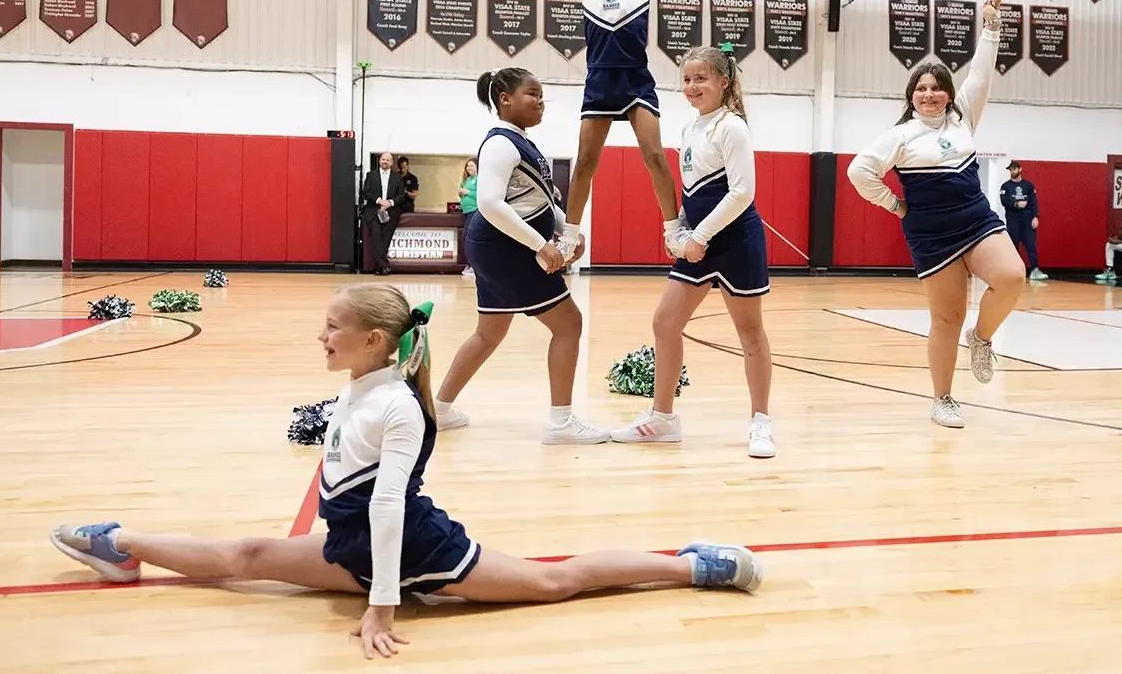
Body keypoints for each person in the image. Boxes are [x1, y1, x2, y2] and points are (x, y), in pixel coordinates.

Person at [48, 283, 762, 661]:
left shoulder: (398, 408)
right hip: (353, 548)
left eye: (333, 325)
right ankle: (122, 544)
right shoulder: (360, 388)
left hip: (418, 553)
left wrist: (383, 603)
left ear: (374, 340)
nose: (321, 334)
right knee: (250, 554)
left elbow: (388, 508)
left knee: (554, 580)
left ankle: (692, 565)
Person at [847, 0, 1025, 429]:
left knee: (1012, 276)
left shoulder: (963, 120)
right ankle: (943, 399)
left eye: (936, 86)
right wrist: (894, 204)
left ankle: (981, 339)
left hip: (977, 221)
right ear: (912, 96)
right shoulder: (901, 135)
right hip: (930, 235)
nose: (929, 94)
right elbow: (859, 171)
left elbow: (981, 76)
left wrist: (991, 27)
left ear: (947, 92)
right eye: (920, 88)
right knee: (946, 318)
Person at [610, 44, 774, 458]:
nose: (692, 86)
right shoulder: (690, 129)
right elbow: (693, 192)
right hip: (699, 239)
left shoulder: (732, 126)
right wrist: (678, 230)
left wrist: (698, 236)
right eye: (686, 79)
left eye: (701, 78)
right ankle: (663, 418)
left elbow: (741, 192)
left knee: (750, 333)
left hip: (736, 242)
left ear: (724, 81)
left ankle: (760, 423)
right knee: (666, 322)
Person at [433, 68, 609, 444]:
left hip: (496, 246)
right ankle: (561, 423)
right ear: (505, 99)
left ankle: (441, 409)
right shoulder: (500, 143)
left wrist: (567, 230)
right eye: (532, 93)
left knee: (489, 332)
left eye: (542, 95)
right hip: (505, 248)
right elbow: (490, 203)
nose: (540, 101)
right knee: (569, 324)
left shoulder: (521, 141)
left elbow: (540, 199)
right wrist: (540, 245)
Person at [536, 0, 683, 263]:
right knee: (584, 163)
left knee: (654, 156)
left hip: (636, 77)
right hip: (599, 80)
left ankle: (673, 229)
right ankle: (569, 235)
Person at [999, 161, 1047, 281]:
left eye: (1014, 169)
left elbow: (1033, 202)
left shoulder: (1028, 186)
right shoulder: (1005, 186)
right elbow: (1004, 201)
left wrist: (1035, 217)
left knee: (1031, 245)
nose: (1012, 172)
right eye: (1010, 170)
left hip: (1027, 219)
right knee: (1014, 245)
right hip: (1013, 219)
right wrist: (1016, 204)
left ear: (1020, 169)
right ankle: (1015, 271)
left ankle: (1035, 270)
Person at [361, 152, 407, 275]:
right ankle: (384, 265)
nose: (385, 162)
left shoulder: (397, 178)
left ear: (392, 163)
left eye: (388, 160)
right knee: (376, 238)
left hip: (391, 212)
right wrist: (379, 200)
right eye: (383, 159)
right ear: (379, 161)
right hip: (374, 211)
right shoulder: (371, 175)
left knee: (386, 239)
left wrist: (390, 203)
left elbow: (401, 195)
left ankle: (380, 267)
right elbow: (366, 192)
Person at [458, 157, 479, 277]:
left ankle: (473, 265)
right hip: (466, 211)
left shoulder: (479, 179)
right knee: (465, 238)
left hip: (475, 211)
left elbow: (480, 195)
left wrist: (467, 193)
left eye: (471, 165)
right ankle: (469, 265)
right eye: (467, 166)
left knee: (467, 236)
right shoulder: (467, 180)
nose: (468, 168)